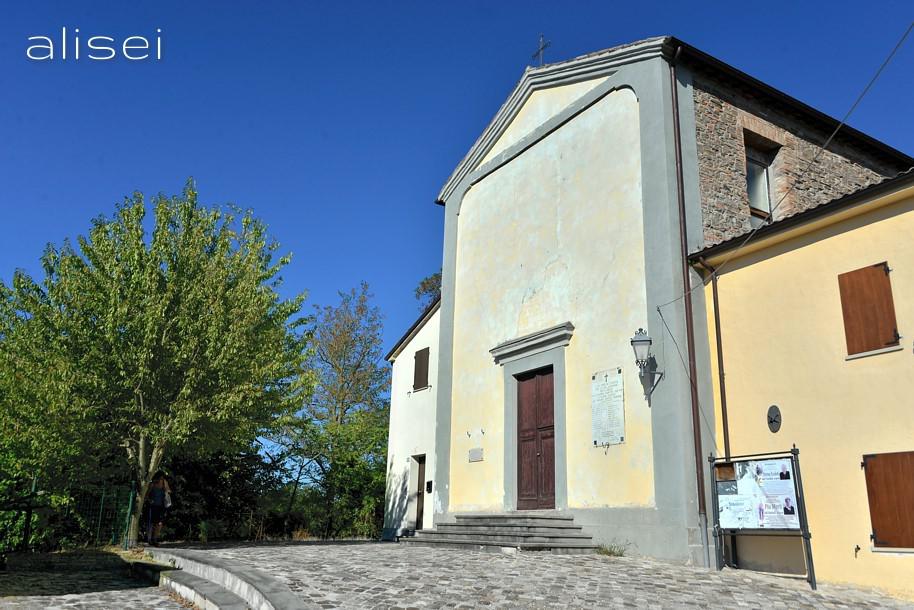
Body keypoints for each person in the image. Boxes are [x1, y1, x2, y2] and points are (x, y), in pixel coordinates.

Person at [146, 471, 172, 546]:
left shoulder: (164, 484)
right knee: (151, 523)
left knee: (159, 523)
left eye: (162, 478)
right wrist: (150, 500)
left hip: (161, 507)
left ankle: (155, 539)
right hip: (152, 506)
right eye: (160, 478)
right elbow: (146, 496)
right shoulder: (152, 485)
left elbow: (169, 491)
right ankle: (149, 539)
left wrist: (166, 486)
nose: (161, 479)